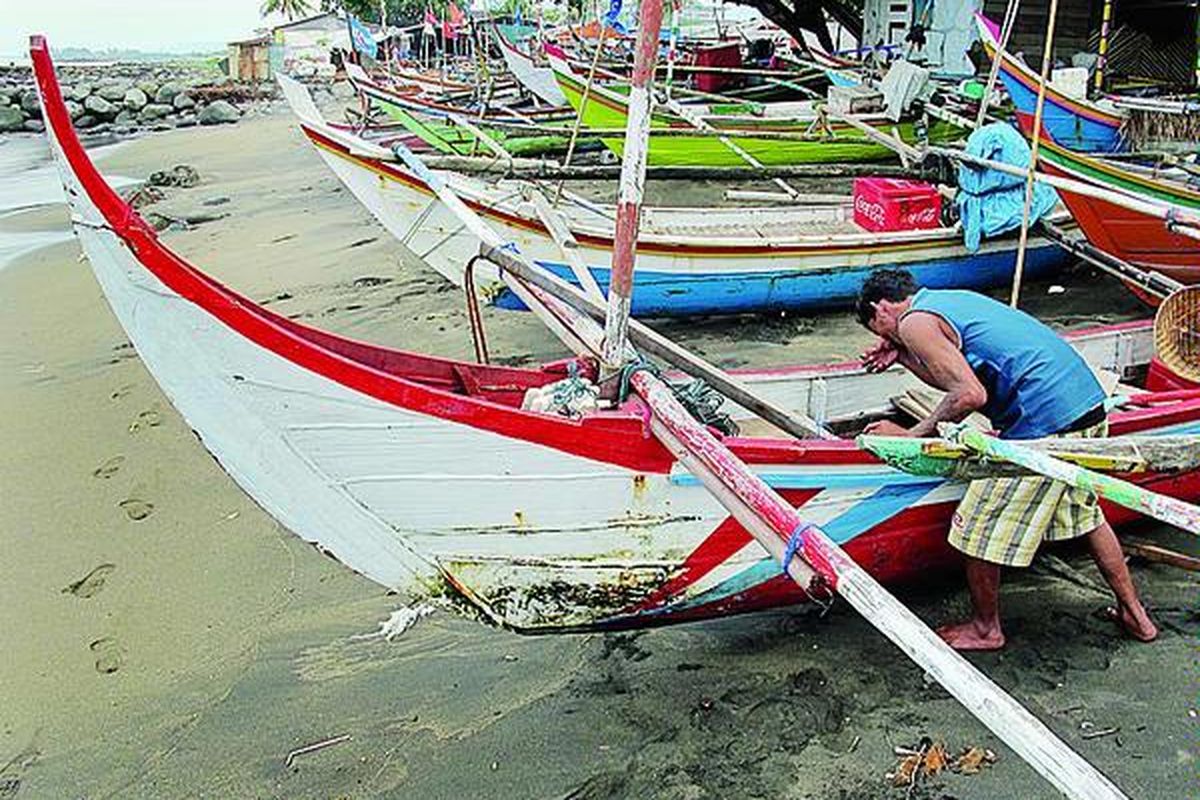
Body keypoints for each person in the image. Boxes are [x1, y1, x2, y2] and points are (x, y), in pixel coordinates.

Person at [855, 268, 1157, 650]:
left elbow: (969, 395)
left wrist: (913, 435)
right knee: (1085, 516)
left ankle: (986, 629)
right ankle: (1135, 614)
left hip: (1047, 423)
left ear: (881, 309)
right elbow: (958, 378)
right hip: (1087, 410)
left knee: (975, 525)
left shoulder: (913, 322)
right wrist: (902, 356)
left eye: (878, 330)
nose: (885, 337)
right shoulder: (947, 300)